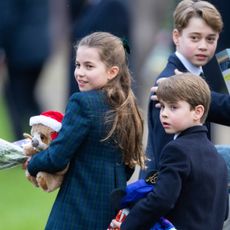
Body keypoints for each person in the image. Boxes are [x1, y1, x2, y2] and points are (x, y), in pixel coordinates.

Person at [26, 32, 145, 229]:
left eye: (89, 66)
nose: (80, 72)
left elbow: (57, 156)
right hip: (110, 206)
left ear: (112, 71)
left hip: (76, 206)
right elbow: (129, 165)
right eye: (78, 65)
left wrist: (33, 164)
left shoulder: (82, 103)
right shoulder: (128, 105)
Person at [111, 73, 229, 230]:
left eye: (173, 107)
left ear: (198, 112)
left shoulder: (177, 150)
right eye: (163, 106)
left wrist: (127, 225)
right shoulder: (217, 157)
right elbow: (223, 211)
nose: (164, 113)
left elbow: (161, 200)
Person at [141, 0, 230, 178]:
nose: (203, 46)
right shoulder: (170, 83)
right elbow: (167, 156)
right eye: (194, 38)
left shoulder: (194, 77)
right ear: (176, 36)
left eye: (210, 39)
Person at [0, 0, 51, 140]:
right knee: (29, 98)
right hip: (41, 46)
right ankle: (47, 135)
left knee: (15, 100)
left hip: (19, 50)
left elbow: (6, 17)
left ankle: (19, 143)